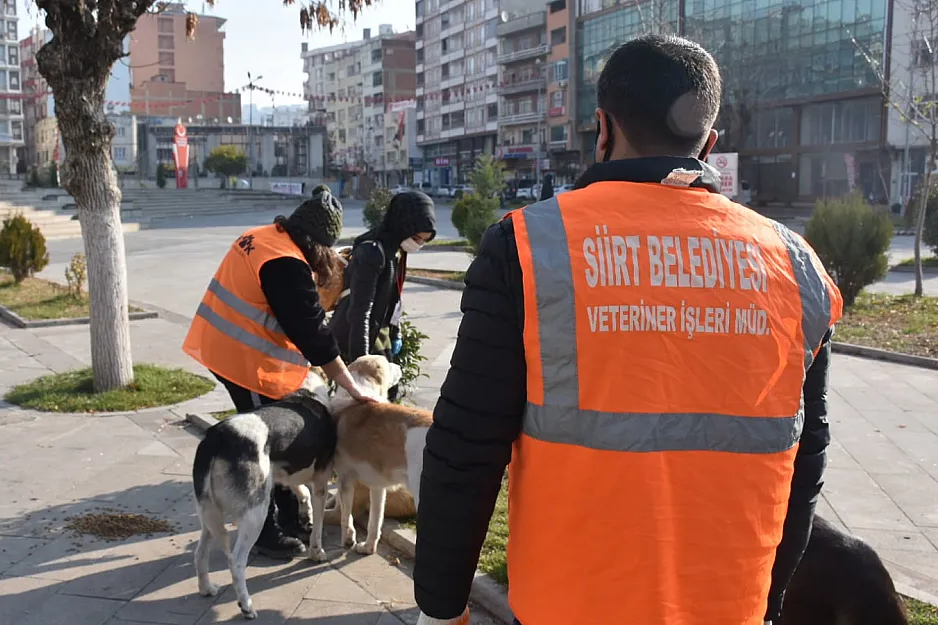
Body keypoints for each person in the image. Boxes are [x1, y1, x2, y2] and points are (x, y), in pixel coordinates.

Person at [412, 35, 844, 625]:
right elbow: (807, 455)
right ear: (710, 145)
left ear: (602, 127)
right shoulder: (795, 265)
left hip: (566, 607)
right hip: (727, 609)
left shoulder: (530, 247)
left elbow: (465, 446)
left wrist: (440, 605)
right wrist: (767, 604)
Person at [182, 189, 377, 560]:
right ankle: (264, 531)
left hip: (224, 345)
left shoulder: (266, 238)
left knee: (277, 439)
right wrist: (350, 386)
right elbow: (313, 336)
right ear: (317, 243)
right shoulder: (285, 264)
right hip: (244, 360)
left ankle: (289, 516)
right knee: (264, 443)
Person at [329, 190, 437, 399]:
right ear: (403, 225)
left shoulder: (396, 250)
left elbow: (392, 298)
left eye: (424, 241)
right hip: (354, 336)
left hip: (380, 331)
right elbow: (359, 313)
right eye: (416, 238)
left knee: (389, 393)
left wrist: (396, 333)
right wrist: (361, 366)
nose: (418, 244)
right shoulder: (372, 252)